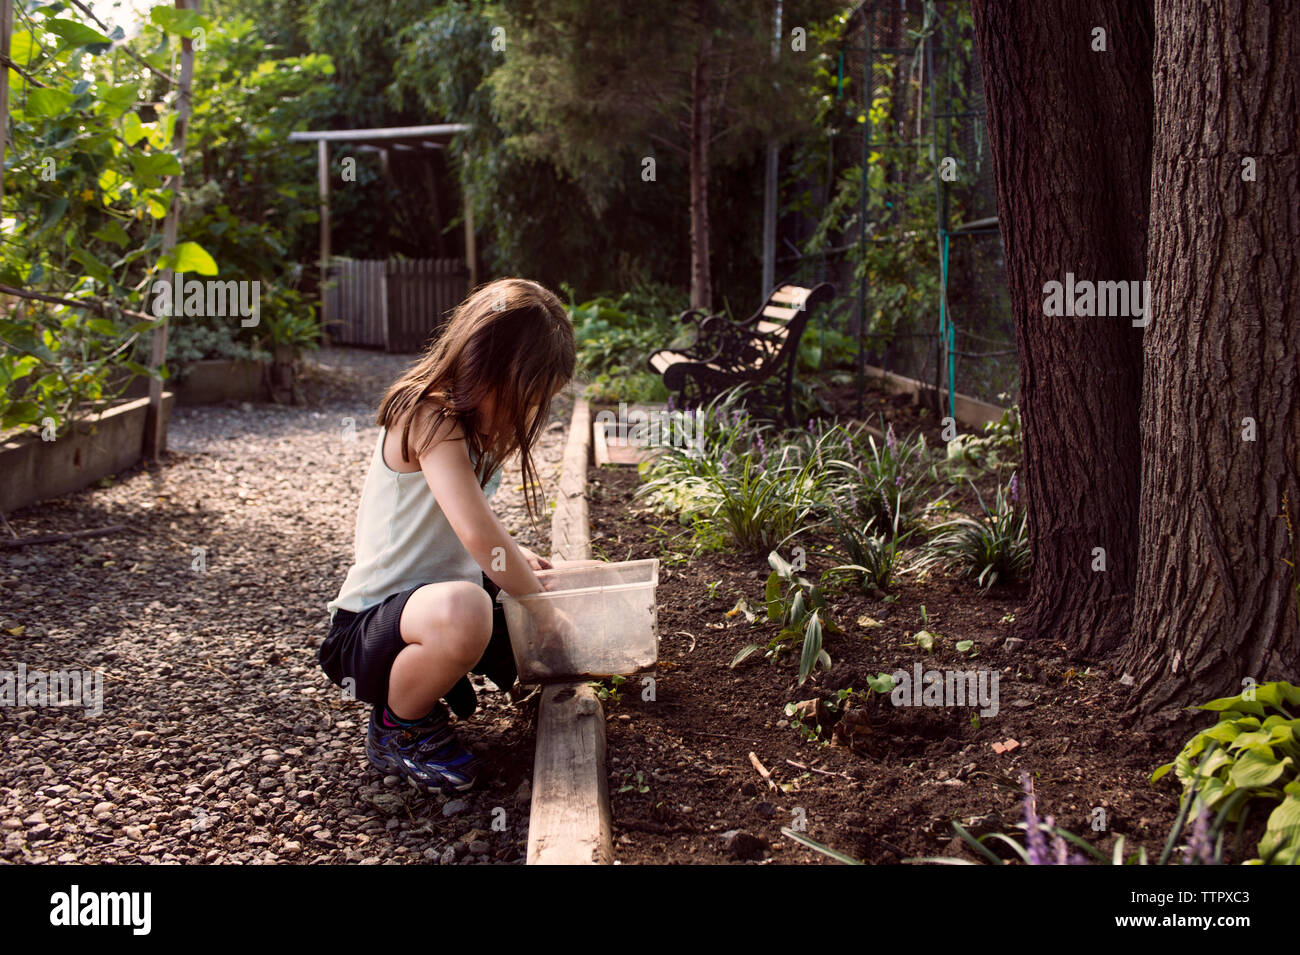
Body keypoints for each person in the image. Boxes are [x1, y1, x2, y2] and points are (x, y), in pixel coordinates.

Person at [320, 277, 576, 794]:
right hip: (371, 629)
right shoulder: (428, 414)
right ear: (487, 366)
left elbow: (457, 528)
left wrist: (526, 568)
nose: (529, 413)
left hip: (432, 608)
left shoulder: (471, 425)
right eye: (526, 397)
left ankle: (538, 679)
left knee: (569, 577)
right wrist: (542, 613)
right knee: (470, 609)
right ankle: (398, 727)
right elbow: (477, 531)